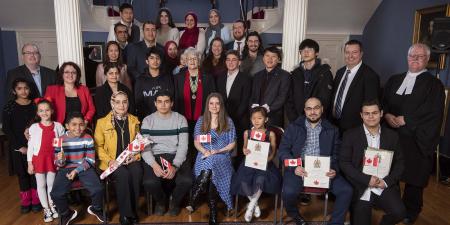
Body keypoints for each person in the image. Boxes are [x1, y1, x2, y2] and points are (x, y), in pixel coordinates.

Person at [382, 43, 445, 224]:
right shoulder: (394, 80)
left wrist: (406, 120)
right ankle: (391, 205)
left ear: (427, 59)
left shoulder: (434, 85)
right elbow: (383, 101)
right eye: (412, 55)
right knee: (390, 173)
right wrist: (386, 115)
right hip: (392, 136)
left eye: (420, 56)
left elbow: (433, 112)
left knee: (414, 177)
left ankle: (411, 210)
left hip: (417, 137)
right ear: (407, 57)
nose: (415, 59)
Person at [278, 97, 353, 225]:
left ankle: (335, 222)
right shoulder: (293, 127)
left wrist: (334, 169)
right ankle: (296, 217)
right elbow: (283, 151)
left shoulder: (332, 130)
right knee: (288, 192)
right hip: (299, 166)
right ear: (305, 111)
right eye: (309, 108)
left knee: (346, 190)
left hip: (324, 167)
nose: (313, 112)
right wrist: (294, 167)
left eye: (316, 108)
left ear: (322, 109)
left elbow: (336, 154)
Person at [339, 100, 406, 225]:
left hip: (383, 183)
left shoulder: (392, 136)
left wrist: (386, 182)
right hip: (361, 184)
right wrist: (366, 179)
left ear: (381, 113)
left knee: (399, 212)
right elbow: (344, 163)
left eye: (374, 113)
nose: (370, 117)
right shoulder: (350, 135)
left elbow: (400, 163)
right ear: (361, 115)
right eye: (367, 113)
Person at [186, 93, 236, 225]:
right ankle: (213, 211)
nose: (214, 106)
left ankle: (194, 198)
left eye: (217, 103)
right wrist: (205, 151)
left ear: (221, 105)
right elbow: (197, 142)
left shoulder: (228, 121)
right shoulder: (201, 120)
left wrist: (218, 150)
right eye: (211, 103)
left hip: (222, 155)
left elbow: (232, 143)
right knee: (210, 163)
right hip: (204, 154)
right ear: (207, 105)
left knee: (213, 163)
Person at [141, 91, 192, 216]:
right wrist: (154, 165)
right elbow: (144, 148)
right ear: (155, 103)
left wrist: (175, 166)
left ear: (172, 103)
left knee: (187, 180)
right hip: (155, 156)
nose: (163, 105)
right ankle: (161, 201)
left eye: (166, 101)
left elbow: (183, 146)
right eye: (159, 101)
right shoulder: (148, 120)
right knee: (149, 182)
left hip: (175, 155)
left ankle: (174, 201)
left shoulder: (180, 119)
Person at [94, 91, 142, 225]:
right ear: (112, 104)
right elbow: (98, 147)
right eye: (118, 102)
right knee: (123, 174)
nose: (122, 105)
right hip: (111, 162)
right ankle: (126, 215)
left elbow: (139, 143)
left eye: (125, 101)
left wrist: (135, 156)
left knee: (136, 171)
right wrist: (110, 161)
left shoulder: (134, 120)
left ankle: (134, 211)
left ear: (128, 103)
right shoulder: (102, 123)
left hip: (129, 159)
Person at [50, 112, 106, 225]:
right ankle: (66, 213)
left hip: (84, 167)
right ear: (67, 126)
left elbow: (90, 160)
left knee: (98, 189)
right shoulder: (60, 140)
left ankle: (96, 208)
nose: (78, 128)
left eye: (81, 124)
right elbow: (58, 163)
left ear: (84, 125)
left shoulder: (88, 138)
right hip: (66, 168)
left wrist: (76, 170)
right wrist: (61, 160)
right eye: (74, 124)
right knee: (56, 194)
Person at [231, 106, 281, 222]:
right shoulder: (247, 133)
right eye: (253, 118)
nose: (256, 121)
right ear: (250, 119)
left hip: (264, 163)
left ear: (266, 119)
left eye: (259, 118)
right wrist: (244, 150)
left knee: (260, 180)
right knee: (243, 181)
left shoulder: (270, 134)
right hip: (249, 163)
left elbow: (273, 152)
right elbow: (244, 147)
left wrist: (268, 159)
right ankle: (255, 204)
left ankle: (250, 206)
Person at [2, 78, 40, 213]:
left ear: (29, 89)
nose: (23, 91)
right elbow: (7, 129)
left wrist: (33, 147)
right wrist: (19, 146)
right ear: (14, 91)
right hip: (17, 146)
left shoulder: (35, 105)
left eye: (26, 88)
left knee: (35, 173)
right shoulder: (9, 107)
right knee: (22, 174)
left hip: (35, 146)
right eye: (19, 88)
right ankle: (26, 200)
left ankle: (36, 200)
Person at [173, 47, 216, 162]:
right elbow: (176, 98)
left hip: (203, 118)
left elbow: (212, 98)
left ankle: (201, 165)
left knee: (202, 143)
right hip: (183, 117)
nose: (192, 61)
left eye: (195, 58)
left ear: (199, 60)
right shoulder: (178, 78)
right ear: (185, 61)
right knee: (185, 143)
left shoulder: (208, 78)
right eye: (189, 59)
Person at [27, 98, 65, 222]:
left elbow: (62, 144)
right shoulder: (34, 127)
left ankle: (52, 206)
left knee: (51, 184)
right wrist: (29, 163)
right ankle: (46, 209)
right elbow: (31, 147)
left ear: (52, 111)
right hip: (38, 159)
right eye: (41, 111)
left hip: (52, 159)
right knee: (41, 184)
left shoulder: (58, 126)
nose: (44, 113)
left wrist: (60, 158)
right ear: (38, 113)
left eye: (47, 110)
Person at [330, 40, 380, 133]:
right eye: (347, 52)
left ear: (361, 54)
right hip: (334, 125)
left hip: (355, 128)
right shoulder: (340, 72)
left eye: (354, 52)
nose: (350, 56)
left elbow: (371, 105)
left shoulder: (370, 76)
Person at [217, 50, 252, 166]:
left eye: (234, 60)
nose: (231, 62)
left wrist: (232, 119)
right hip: (222, 121)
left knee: (239, 152)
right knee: (223, 149)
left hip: (239, 121)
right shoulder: (220, 78)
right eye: (228, 60)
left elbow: (245, 101)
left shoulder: (246, 78)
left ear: (239, 62)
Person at [286, 39, 334, 123]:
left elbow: (325, 99)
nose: (306, 52)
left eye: (310, 50)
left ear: (317, 53)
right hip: (297, 119)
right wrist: (294, 118)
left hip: (317, 120)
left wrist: (314, 116)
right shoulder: (295, 73)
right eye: (303, 50)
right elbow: (289, 98)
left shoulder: (325, 72)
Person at [250, 46, 291, 127]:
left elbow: (282, 97)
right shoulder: (257, 75)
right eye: (267, 56)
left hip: (273, 117)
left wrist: (266, 109)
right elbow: (253, 96)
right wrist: (253, 110)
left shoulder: (285, 75)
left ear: (278, 59)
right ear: (263, 58)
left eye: (273, 56)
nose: (270, 59)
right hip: (255, 119)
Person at [134, 47, 174, 120]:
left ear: (161, 61)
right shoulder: (140, 79)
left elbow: (171, 98)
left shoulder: (167, 77)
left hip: (166, 118)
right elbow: (138, 102)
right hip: (146, 119)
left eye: (157, 58)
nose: (155, 61)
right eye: (152, 58)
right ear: (147, 61)